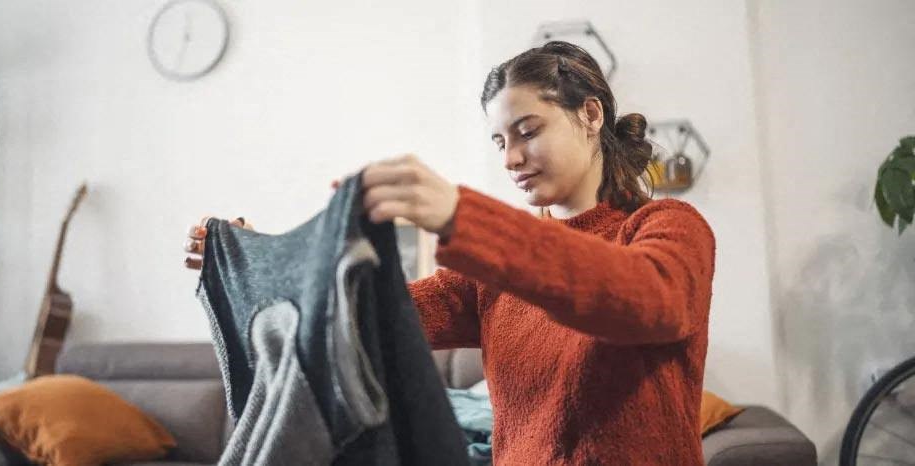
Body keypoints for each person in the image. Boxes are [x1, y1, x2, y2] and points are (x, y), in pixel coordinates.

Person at [184, 41, 715, 465]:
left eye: (527, 132)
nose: (511, 158)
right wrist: (266, 260)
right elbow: (364, 315)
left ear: (591, 114)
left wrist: (462, 216)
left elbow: (645, 300)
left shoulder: (667, 226)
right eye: (498, 141)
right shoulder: (490, 275)